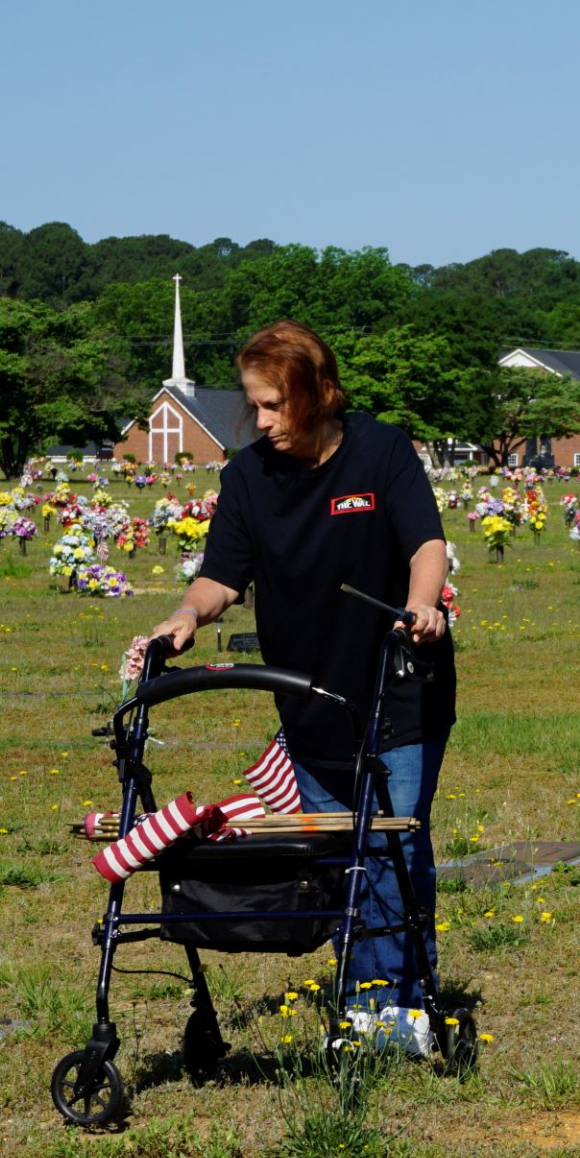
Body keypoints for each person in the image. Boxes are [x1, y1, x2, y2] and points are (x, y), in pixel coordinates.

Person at [146, 320, 456, 1048]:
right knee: (342, 858)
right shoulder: (249, 478)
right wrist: (185, 617)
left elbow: (426, 543)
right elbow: (221, 576)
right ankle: (373, 1005)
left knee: (390, 849)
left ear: (319, 394)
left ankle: (396, 1011)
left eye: (273, 406)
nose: (261, 421)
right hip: (309, 698)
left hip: (397, 689)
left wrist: (422, 605)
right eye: (253, 406)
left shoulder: (382, 452)